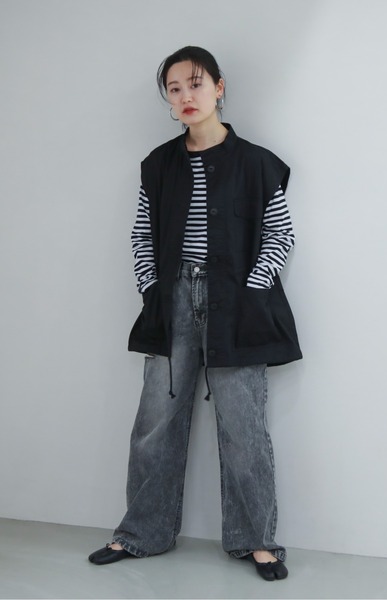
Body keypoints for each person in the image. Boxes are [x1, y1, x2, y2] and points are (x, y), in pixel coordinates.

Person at [88, 46, 302, 582]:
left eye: (197, 83)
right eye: (175, 88)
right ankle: (142, 533)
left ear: (219, 88)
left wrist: (252, 289)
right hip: (172, 301)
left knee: (244, 428)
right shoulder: (158, 165)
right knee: (155, 424)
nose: (186, 95)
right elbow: (142, 234)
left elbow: (280, 235)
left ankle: (257, 541)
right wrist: (151, 287)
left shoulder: (257, 162)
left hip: (238, 303)